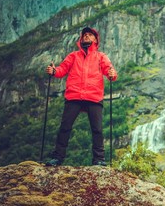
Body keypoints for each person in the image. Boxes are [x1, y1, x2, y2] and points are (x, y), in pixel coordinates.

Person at [44, 26, 117, 166]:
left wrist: (112, 75)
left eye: (90, 35)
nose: (87, 37)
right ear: (81, 39)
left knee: (97, 129)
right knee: (65, 127)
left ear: (96, 39)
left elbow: (109, 70)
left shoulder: (101, 56)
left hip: (94, 97)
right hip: (74, 96)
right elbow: (61, 70)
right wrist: (53, 71)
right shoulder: (73, 56)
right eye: (85, 35)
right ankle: (57, 157)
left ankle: (99, 160)